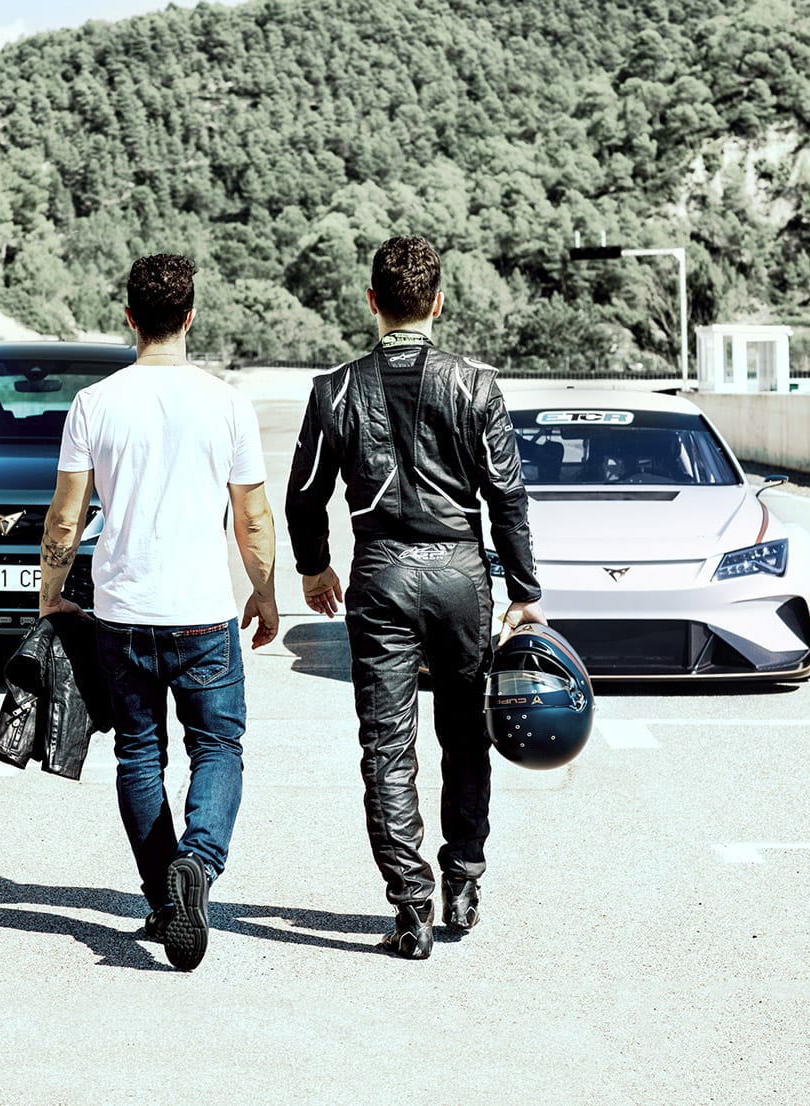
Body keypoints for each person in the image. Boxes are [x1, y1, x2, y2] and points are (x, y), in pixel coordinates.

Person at [285, 235, 545, 960]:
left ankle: (412, 907)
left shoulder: (334, 389)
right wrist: (523, 592)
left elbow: (303, 497)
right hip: (462, 571)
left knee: (386, 745)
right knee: (465, 733)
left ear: (371, 302)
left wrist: (313, 568)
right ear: (438, 302)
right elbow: (508, 498)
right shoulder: (475, 386)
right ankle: (464, 879)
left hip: (381, 574)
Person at [38, 253, 279, 971]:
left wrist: (50, 592)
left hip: (123, 610)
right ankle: (198, 868)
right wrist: (265, 595)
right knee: (218, 749)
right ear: (191, 316)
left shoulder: (97, 403)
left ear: (130, 316)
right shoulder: (227, 402)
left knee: (140, 754)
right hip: (203, 612)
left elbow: (64, 517)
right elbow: (254, 518)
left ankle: (162, 894)